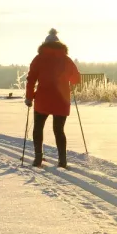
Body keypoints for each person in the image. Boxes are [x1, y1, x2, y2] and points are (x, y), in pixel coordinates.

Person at [25, 28, 82, 168]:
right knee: (59, 130)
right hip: (61, 100)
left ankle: (38, 159)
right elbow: (76, 79)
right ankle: (62, 161)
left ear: (44, 45)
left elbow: (31, 79)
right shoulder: (66, 60)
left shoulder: (38, 59)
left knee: (38, 128)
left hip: (42, 100)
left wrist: (29, 97)